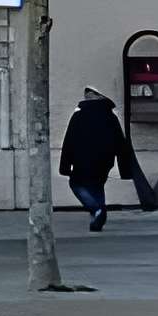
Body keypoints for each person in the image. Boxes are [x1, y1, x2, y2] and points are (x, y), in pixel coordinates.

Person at [59, 86, 136, 230]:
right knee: (97, 185)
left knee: (76, 184)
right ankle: (97, 221)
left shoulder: (79, 116)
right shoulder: (110, 116)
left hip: (82, 158)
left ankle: (97, 209)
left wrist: (65, 166)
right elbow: (120, 143)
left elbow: (69, 141)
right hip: (105, 160)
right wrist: (125, 169)